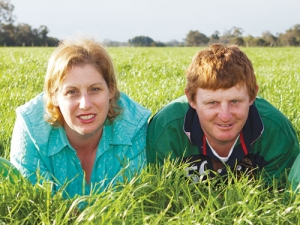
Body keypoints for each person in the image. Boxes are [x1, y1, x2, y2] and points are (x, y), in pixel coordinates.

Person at [10, 38, 151, 198]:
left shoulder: (133, 125)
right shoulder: (31, 128)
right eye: (72, 92)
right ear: (53, 96)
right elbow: (34, 205)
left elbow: (132, 202)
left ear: (111, 90)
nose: (85, 104)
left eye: (95, 89)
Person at [146, 43, 299, 185]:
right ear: (191, 99)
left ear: (252, 96)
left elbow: (278, 200)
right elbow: (162, 197)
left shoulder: (277, 132)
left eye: (235, 101)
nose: (225, 116)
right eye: (212, 103)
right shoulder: (167, 129)